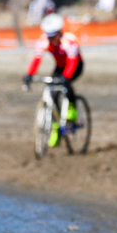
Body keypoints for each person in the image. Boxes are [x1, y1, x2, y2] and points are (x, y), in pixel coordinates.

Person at [23, 13, 84, 147]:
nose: (51, 39)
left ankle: (72, 110)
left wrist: (66, 77)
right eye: (49, 36)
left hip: (75, 65)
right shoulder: (44, 40)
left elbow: (72, 62)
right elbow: (37, 59)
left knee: (66, 84)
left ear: (59, 32)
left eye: (53, 35)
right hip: (60, 66)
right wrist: (29, 74)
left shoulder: (69, 41)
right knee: (52, 93)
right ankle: (56, 127)